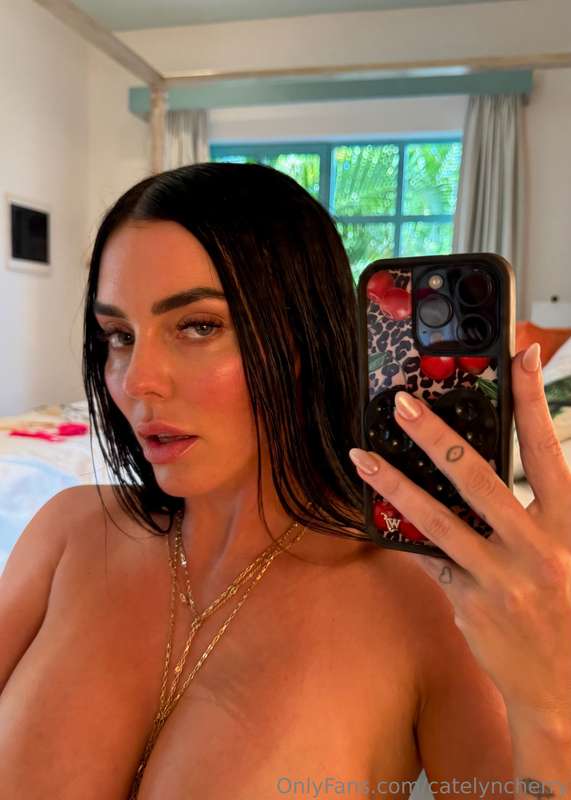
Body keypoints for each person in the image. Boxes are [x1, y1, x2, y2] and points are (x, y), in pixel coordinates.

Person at [0, 163, 569, 800]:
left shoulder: (430, 602)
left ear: (305, 340)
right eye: (119, 335)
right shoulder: (67, 532)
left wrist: (551, 703)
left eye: (199, 326)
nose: (136, 381)